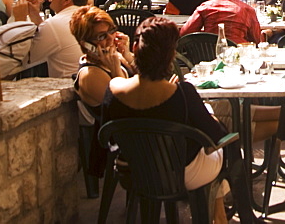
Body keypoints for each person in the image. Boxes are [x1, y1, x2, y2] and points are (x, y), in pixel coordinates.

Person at [100, 16, 255, 224]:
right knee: (228, 144)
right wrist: (209, 114)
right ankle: (242, 215)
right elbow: (216, 136)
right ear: (171, 54)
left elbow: (107, 139)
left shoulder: (113, 89)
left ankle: (220, 215)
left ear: (135, 48)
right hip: (180, 174)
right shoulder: (182, 93)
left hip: (134, 173)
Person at [70, 5, 135, 189]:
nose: (110, 39)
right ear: (85, 43)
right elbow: (126, 103)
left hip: (139, 127)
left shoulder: (110, 56)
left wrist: (128, 54)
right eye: (101, 36)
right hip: (127, 141)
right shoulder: (91, 75)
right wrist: (116, 70)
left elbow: (144, 76)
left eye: (111, 31)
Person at [18, 0, 93, 77]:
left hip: (69, 88)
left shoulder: (55, 24)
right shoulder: (90, 17)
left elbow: (23, 59)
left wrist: (19, 20)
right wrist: (35, 14)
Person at [180, 0, 264, 45]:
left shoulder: (205, 7)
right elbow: (257, 40)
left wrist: (204, 35)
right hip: (237, 55)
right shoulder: (247, 10)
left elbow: (185, 33)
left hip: (208, 54)